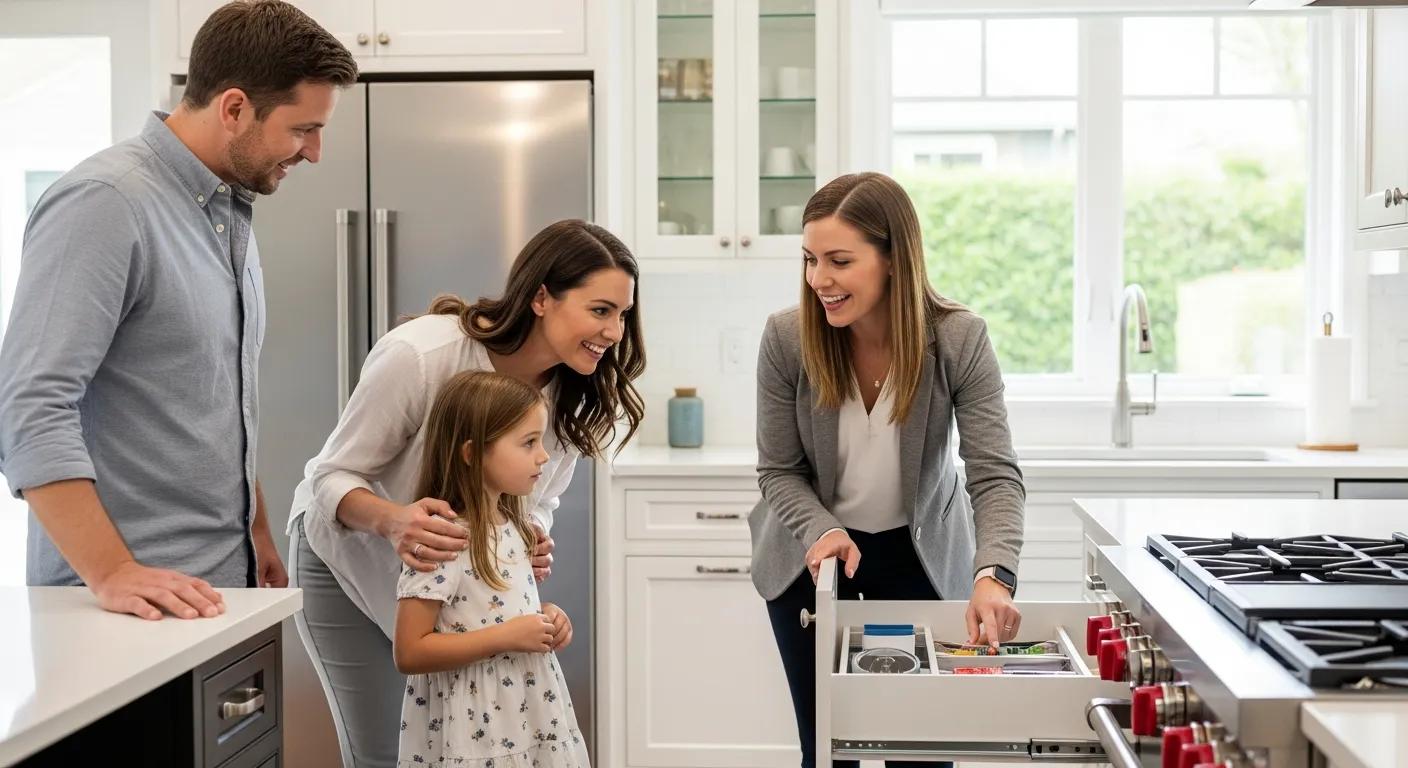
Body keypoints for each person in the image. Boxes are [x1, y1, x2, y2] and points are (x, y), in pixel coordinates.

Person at [0, 0, 357, 618]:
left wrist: (255, 530)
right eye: (303, 129)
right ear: (235, 108)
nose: (315, 152)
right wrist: (112, 573)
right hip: (125, 616)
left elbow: (217, 396)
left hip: (221, 588)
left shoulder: (226, 214)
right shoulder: (107, 203)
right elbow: (28, 404)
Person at [287, 219, 644, 768]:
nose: (616, 331)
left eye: (623, 314)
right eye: (600, 310)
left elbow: (540, 502)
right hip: (350, 564)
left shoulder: (577, 395)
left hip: (461, 594)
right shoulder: (422, 358)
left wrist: (532, 536)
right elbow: (330, 477)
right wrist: (393, 521)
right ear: (542, 298)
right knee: (387, 753)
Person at [749, 172, 1026, 768]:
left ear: (893, 258)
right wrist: (822, 529)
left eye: (839, 261)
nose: (818, 279)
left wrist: (993, 575)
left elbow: (994, 473)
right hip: (813, 560)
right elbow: (778, 471)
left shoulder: (959, 339)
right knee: (828, 751)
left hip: (919, 559)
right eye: (809, 259)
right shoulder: (787, 339)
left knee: (922, 751)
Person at [393, 370, 589, 767]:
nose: (544, 455)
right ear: (472, 453)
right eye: (529, 442)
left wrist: (546, 619)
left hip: (528, 715)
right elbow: (409, 652)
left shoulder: (515, 527)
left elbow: (502, 608)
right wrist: (507, 636)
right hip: (474, 728)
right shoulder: (443, 541)